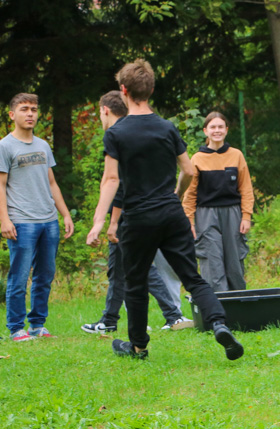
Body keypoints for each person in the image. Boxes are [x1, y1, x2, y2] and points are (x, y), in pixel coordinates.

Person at [85, 59, 243, 362]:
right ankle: (219, 323)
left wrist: (98, 222)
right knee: (193, 277)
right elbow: (188, 170)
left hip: (138, 218)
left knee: (135, 282)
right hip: (172, 214)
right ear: (152, 89)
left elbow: (111, 179)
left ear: (123, 90)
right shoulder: (166, 127)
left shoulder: (116, 133)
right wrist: (176, 195)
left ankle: (139, 346)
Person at [81, 90, 195, 334]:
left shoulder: (119, 134)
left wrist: (111, 222)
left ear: (105, 110)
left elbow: (119, 184)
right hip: (149, 212)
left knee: (138, 269)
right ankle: (110, 319)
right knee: (120, 269)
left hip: (131, 216)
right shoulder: (136, 129)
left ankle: (172, 315)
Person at [0, 93, 74, 342]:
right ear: (12, 115)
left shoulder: (43, 145)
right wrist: (4, 220)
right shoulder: (5, 146)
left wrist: (64, 214)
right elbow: (0, 185)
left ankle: (37, 325)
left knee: (45, 275)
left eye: (33, 109)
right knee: (19, 277)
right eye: (24, 109)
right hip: (21, 221)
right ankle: (15, 328)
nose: (30, 113)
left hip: (49, 221)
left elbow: (52, 183)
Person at [182, 112, 254, 291]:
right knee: (212, 262)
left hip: (233, 214)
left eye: (220, 127)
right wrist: (189, 220)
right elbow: (190, 194)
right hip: (206, 215)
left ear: (226, 130)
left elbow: (245, 188)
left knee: (234, 262)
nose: (217, 130)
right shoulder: (197, 158)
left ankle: (239, 307)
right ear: (205, 131)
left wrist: (246, 216)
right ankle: (217, 312)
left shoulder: (236, 155)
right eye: (213, 127)